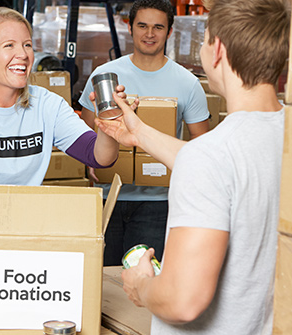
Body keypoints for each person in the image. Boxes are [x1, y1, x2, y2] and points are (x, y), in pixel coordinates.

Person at [94, 0, 290, 335]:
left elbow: (183, 301)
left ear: (218, 51)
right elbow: (226, 167)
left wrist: (142, 285)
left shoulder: (212, 155)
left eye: (204, 40)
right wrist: (137, 133)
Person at [79, 0, 210, 266]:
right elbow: (85, 133)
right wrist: (88, 165)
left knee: (146, 281)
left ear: (169, 32)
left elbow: (201, 141)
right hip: (107, 196)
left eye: (158, 27)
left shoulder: (187, 83)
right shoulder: (105, 76)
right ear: (130, 27)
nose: (150, 34)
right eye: (142, 25)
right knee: (100, 280)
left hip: (157, 202)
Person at [0, 7, 118, 185]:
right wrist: (10, 209)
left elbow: (98, 157)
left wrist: (109, 124)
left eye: (27, 45)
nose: (22, 54)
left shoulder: (48, 105)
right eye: (9, 45)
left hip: (25, 213)